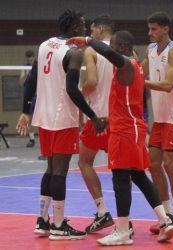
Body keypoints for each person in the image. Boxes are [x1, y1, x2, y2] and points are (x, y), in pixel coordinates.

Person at [67, 30, 173, 245]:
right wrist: (110, 118)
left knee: (120, 179)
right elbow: (126, 103)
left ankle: (123, 231)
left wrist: (88, 41)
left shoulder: (126, 64)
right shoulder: (136, 67)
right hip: (132, 127)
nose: (112, 49)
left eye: (115, 46)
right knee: (139, 177)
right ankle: (166, 220)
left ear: (124, 48)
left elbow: (107, 52)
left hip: (124, 132)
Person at [15, 9, 106, 240]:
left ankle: (43, 220)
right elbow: (72, 90)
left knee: (50, 169)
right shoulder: (73, 52)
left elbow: (32, 80)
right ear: (75, 28)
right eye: (83, 25)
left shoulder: (45, 45)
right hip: (62, 118)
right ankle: (58, 225)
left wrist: (26, 111)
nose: (85, 29)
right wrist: (92, 115)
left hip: (43, 118)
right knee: (59, 173)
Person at [142, 11, 173, 235]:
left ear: (165, 29)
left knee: (170, 165)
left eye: (154, 29)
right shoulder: (150, 50)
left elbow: (168, 84)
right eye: (149, 29)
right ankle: (167, 215)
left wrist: (139, 83)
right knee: (153, 165)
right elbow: (138, 71)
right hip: (160, 118)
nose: (150, 33)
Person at [77, 14, 115, 233]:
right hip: (120, 118)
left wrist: (80, 96)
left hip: (99, 117)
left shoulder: (92, 50)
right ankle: (163, 214)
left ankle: (103, 212)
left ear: (100, 29)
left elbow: (91, 81)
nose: (90, 34)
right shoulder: (125, 48)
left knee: (84, 162)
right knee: (127, 171)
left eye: (92, 30)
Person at [20, 50, 37, 148]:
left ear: (34, 57)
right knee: (29, 117)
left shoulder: (38, 65)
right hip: (29, 95)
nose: (30, 61)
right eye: (28, 59)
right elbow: (21, 80)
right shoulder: (25, 66)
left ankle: (46, 138)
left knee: (41, 118)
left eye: (31, 59)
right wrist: (26, 73)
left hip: (37, 94)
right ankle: (31, 139)